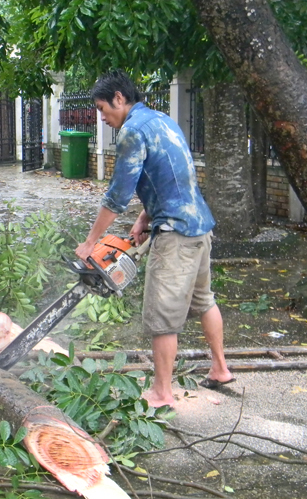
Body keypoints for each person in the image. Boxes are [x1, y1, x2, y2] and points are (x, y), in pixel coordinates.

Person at [75, 70, 234, 408]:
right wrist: (145, 217)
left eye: (103, 109)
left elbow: (117, 195)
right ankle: (220, 368)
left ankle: (162, 392)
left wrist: (90, 243)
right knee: (204, 300)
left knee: (162, 316)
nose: (102, 118)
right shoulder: (162, 120)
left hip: (175, 234)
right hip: (199, 225)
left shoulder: (131, 131)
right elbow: (172, 173)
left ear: (120, 98)